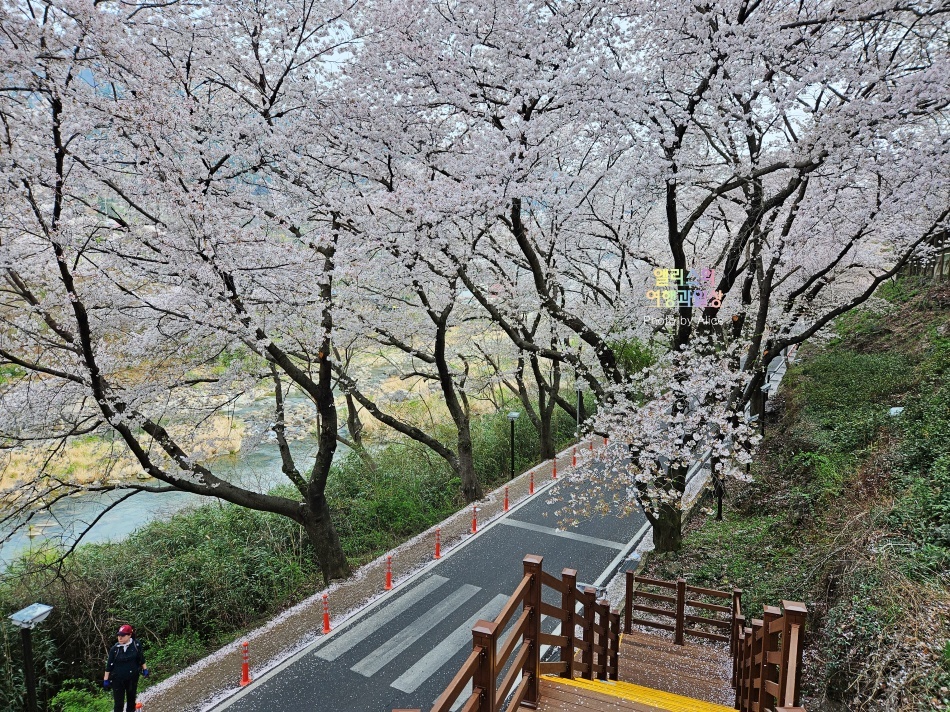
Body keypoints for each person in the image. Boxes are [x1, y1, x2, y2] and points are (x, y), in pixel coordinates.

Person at [103, 624, 148, 712]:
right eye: (119, 635)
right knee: (118, 704)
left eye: (123, 635)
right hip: (117, 679)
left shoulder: (136, 645)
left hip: (132, 678)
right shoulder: (114, 649)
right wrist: (106, 679)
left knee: (131, 701)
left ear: (129, 635)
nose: (120, 637)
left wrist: (145, 669)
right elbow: (109, 666)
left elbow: (141, 659)